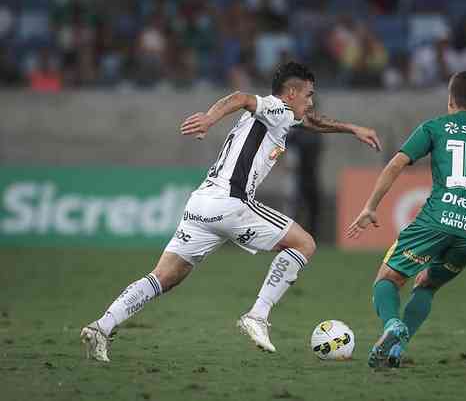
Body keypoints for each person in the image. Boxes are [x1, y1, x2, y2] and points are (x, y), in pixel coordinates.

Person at [81, 62, 382, 362]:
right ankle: (257, 316)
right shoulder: (276, 108)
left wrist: (352, 128)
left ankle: (101, 327)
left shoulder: (284, 116)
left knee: (163, 277)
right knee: (305, 243)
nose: (311, 101)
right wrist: (209, 119)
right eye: (308, 94)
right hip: (231, 203)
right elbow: (240, 98)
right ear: (291, 93)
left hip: (201, 204)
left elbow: (312, 121)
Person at [347, 71, 466, 368]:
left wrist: (370, 207)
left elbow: (396, 163)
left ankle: (393, 326)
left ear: (450, 99)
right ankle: (398, 349)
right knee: (427, 285)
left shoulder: (435, 127)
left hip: (437, 220)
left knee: (388, 280)